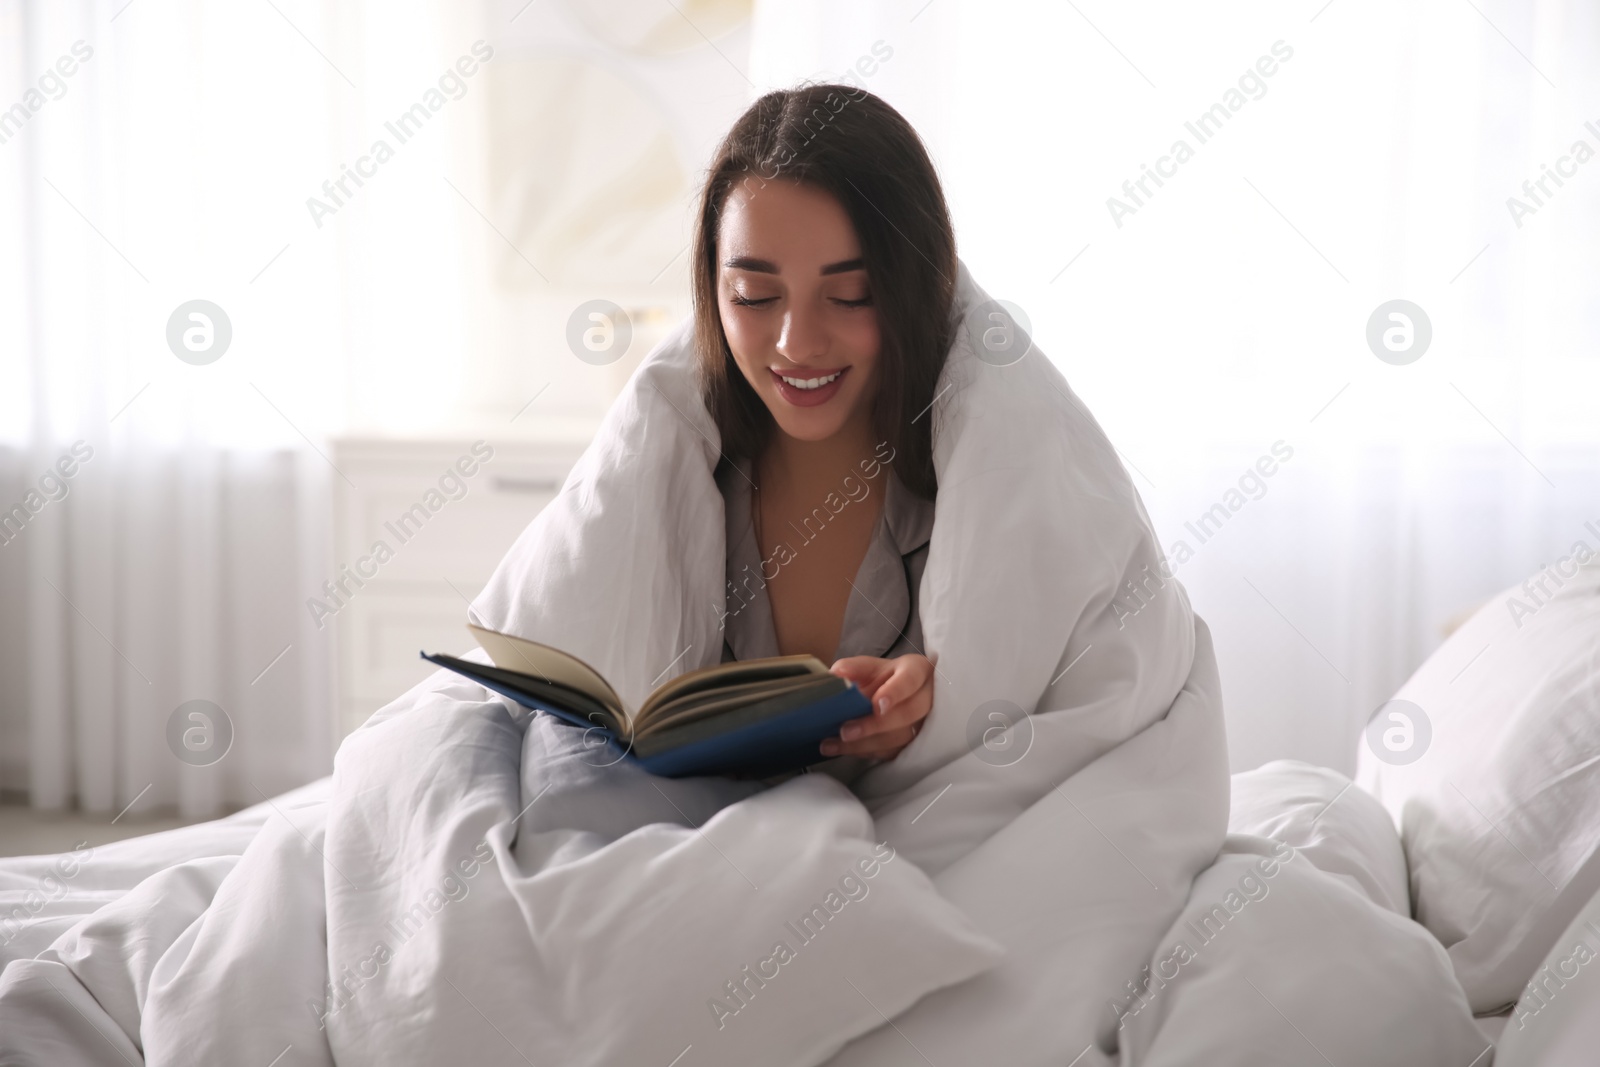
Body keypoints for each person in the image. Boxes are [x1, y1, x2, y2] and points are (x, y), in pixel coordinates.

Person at [689, 84, 954, 772]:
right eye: (754, 296)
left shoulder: (976, 477)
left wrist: (937, 709)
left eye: (850, 295)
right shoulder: (680, 468)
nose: (797, 344)